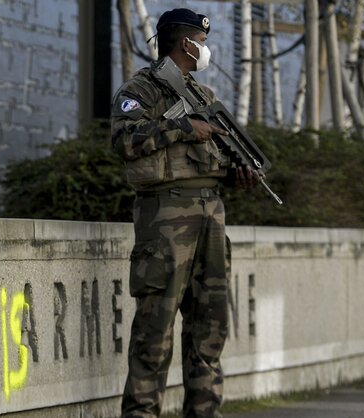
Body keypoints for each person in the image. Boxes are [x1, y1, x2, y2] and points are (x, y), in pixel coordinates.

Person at [110, 8, 261, 418]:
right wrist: (182, 127)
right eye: (202, 41)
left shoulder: (205, 98)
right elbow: (124, 140)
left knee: (209, 335)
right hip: (165, 218)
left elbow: (211, 161)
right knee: (153, 337)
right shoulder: (141, 90)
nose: (205, 50)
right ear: (185, 42)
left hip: (210, 218)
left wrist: (237, 174)